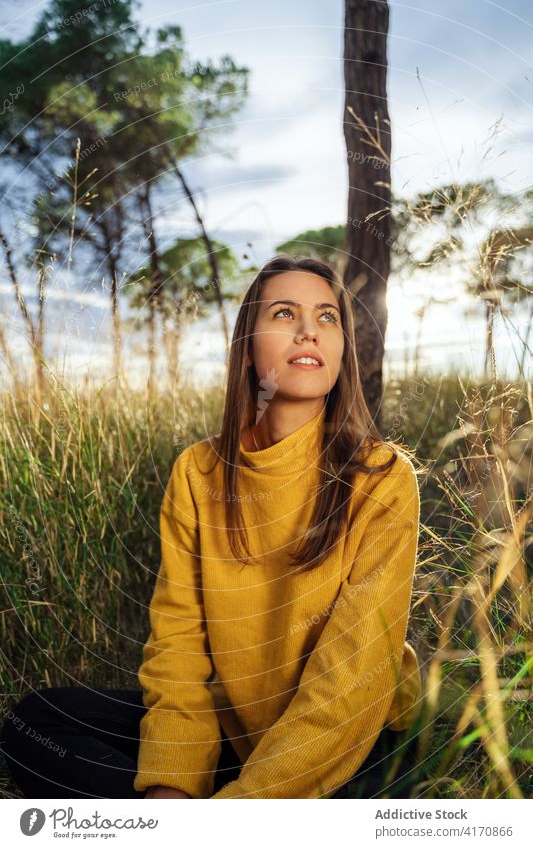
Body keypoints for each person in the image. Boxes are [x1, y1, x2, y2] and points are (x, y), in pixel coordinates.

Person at [1, 254, 422, 799]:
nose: (307, 332)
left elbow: (349, 681)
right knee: (37, 721)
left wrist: (238, 813)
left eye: (327, 318)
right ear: (247, 348)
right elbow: (179, 648)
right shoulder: (198, 474)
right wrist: (171, 784)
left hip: (349, 745)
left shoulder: (383, 478)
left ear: (342, 349)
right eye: (285, 313)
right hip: (238, 725)